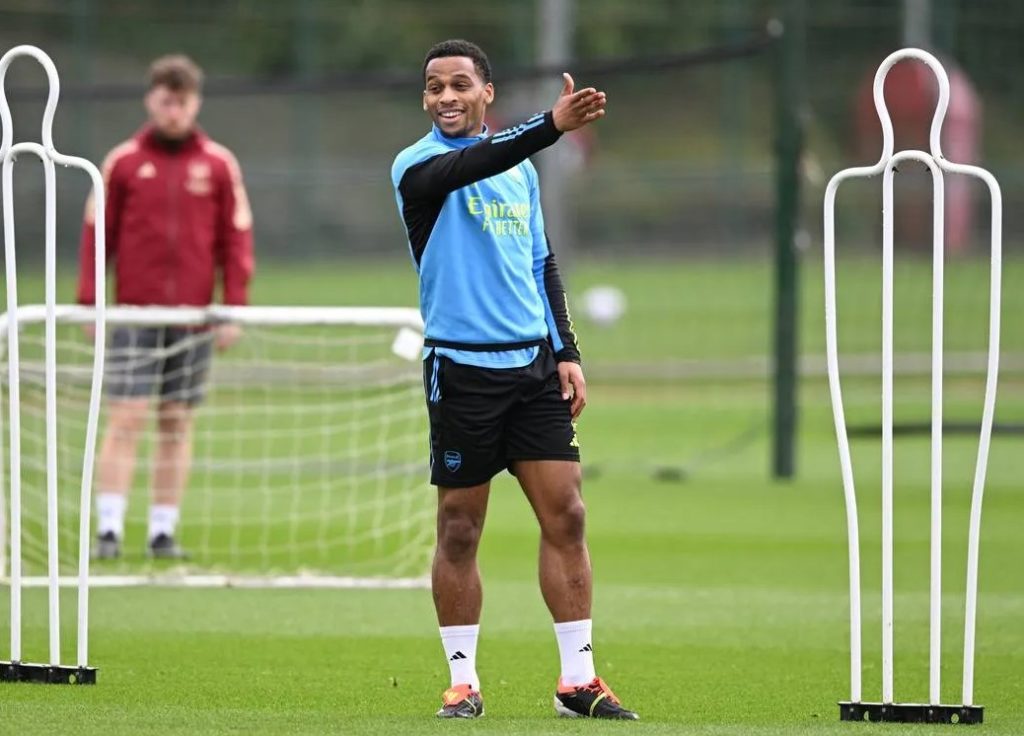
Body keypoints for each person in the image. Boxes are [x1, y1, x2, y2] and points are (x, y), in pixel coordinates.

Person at [391, 40, 637, 720]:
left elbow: (541, 264)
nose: (446, 96)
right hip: (460, 370)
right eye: (434, 86)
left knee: (569, 514)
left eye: (460, 84)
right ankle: (463, 682)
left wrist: (567, 351)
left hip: (530, 369)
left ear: (486, 93)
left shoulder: (519, 172)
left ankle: (577, 681)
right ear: (424, 99)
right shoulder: (418, 167)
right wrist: (550, 126)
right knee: (460, 528)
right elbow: (482, 158)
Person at [78, 54, 254, 560]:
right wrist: (91, 302)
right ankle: (108, 529)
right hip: (135, 314)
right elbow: (96, 236)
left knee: (176, 422)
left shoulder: (218, 164)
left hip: (194, 317)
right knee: (126, 417)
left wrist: (232, 306)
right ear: (151, 100)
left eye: (182, 101)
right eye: (165, 100)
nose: (173, 110)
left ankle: (162, 530)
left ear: (195, 103)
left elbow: (235, 238)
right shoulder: (124, 162)